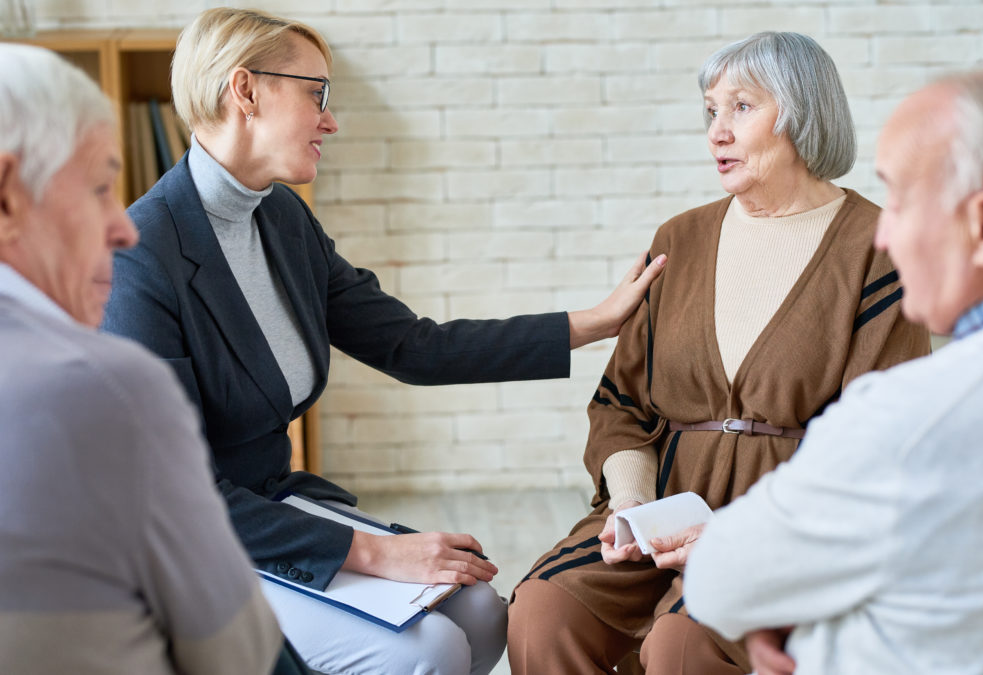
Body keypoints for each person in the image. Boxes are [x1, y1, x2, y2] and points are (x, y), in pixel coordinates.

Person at [100, 7, 664, 675]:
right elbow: (180, 493)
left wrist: (592, 322)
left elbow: (412, 346)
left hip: (274, 505)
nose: (330, 120)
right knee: (428, 650)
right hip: (195, 539)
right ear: (245, 90)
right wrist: (378, 553)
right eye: (317, 93)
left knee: (484, 612)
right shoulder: (141, 259)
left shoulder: (281, 218)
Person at [507, 31, 931, 674]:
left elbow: (883, 436)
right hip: (660, 507)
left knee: (683, 644)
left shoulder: (878, 248)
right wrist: (633, 506)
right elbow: (620, 403)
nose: (716, 132)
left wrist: (751, 534)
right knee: (542, 607)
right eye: (711, 111)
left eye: (741, 107)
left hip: (792, 525)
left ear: (801, 112)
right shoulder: (680, 239)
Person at [683, 69, 983, 675]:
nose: (885, 234)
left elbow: (717, 585)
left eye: (898, 199)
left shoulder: (907, 419)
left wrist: (799, 610)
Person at [0, 43, 283, 674]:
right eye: (101, 186)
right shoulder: (109, 388)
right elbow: (239, 653)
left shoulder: (282, 218)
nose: (123, 227)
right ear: (7, 197)